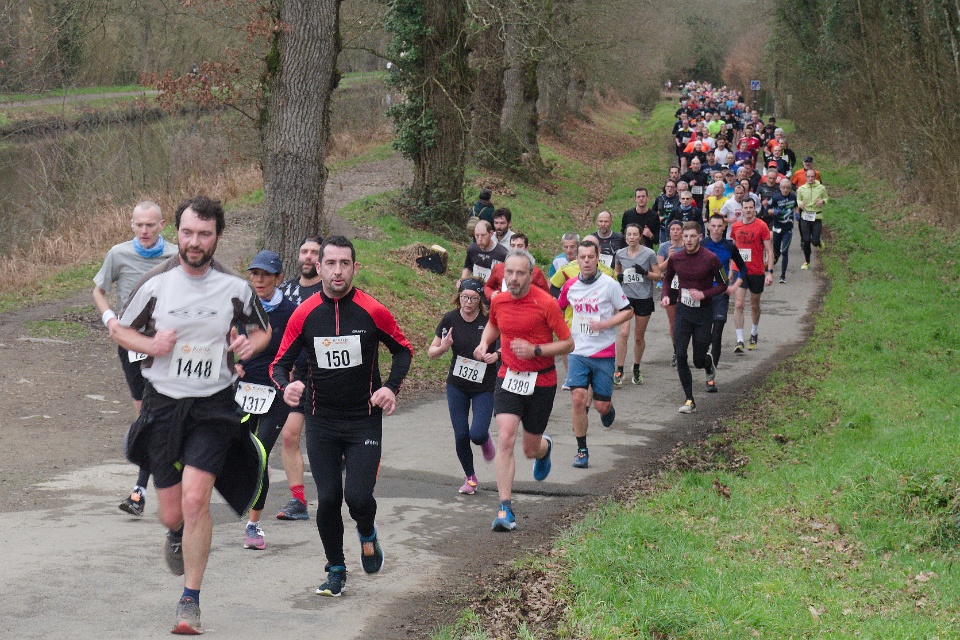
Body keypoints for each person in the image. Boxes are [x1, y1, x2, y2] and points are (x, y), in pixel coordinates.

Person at [111, 195, 272, 634]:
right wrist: (151, 345)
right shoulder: (155, 283)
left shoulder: (235, 286)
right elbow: (120, 330)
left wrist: (247, 345)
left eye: (204, 234)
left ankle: (190, 601)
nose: (194, 242)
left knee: (196, 499)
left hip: (213, 405)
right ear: (176, 233)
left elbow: (262, 331)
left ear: (217, 236)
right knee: (172, 513)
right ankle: (176, 533)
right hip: (164, 404)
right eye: (187, 233)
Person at [271, 236, 413, 597]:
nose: (338, 271)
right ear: (318, 268)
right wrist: (286, 386)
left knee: (359, 498)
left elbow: (403, 350)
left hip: (363, 418)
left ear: (355, 268)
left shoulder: (372, 310)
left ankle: (367, 533)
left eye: (344, 264)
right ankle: (335, 569)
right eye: (330, 263)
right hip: (321, 420)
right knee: (330, 497)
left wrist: (391, 388)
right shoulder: (304, 314)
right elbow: (278, 364)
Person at [474, 249, 574, 531]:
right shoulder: (499, 300)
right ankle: (504, 508)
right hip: (508, 376)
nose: (514, 278)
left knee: (530, 449)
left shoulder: (546, 303)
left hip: (541, 380)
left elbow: (568, 344)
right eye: (509, 272)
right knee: (505, 438)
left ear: (531, 275)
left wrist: (535, 350)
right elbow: (493, 325)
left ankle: (544, 448)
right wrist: (484, 343)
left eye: (520, 273)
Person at [93, 200, 178, 517]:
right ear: (131, 225)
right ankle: (153, 483)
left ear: (161, 225)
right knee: (146, 414)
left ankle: (140, 490)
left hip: (166, 344)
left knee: (158, 412)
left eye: (150, 225)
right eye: (139, 225)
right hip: (131, 342)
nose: (144, 230)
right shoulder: (118, 254)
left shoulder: (175, 256)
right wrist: (110, 320)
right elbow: (98, 290)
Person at [235, 250, 298, 550]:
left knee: (260, 456)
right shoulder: (242, 309)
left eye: (265, 275)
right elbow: (227, 340)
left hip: (275, 393)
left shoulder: (291, 312)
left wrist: (292, 378)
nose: (259, 280)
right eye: (254, 274)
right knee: (239, 453)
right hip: (243, 391)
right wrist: (232, 364)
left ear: (278, 278)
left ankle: (253, 526)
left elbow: (301, 350)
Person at [557, 240, 632, 469]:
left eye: (591, 257)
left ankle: (607, 408)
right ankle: (582, 450)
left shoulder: (609, 284)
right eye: (582, 257)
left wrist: (605, 324)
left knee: (601, 406)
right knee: (578, 398)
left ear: (598, 258)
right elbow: (557, 308)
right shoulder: (570, 285)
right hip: (578, 351)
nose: (587, 261)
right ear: (577, 259)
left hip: (603, 352)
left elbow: (628, 311)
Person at [427, 279, 499, 494]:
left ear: (480, 300)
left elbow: (504, 346)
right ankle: (470, 478)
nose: (468, 302)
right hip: (457, 385)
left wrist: (495, 355)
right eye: (464, 297)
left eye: (473, 298)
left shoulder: (488, 321)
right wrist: (443, 347)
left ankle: (485, 439)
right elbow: (431, 352)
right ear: (458, 297)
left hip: (484, 386)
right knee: (460, 435)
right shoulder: (450, 319)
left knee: (477, 434)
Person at [276, 235, 325, 521]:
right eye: (304, 251)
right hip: (297, 376)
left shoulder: (328, 291)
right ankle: (298, 501)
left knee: (326, 439)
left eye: (314, 252)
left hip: (326, 375)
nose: (308, 256)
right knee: (290, 434)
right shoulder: (286, 290)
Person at [660, 222, 728, 413]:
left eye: (692, 236)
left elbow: (723, 284)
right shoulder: (676, 258)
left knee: (698, 360)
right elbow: (667, 279)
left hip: (703, 313)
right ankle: (689, 399)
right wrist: (666, 295)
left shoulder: (711, 258)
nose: (688, 240)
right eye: (685, 236)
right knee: (681, 354)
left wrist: (704, 294)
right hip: (683, 311)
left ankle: (707, 363)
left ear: (700, 237)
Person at [613, 224, 661, 386]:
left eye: (635, 234)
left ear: (640, 236)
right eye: (629, 234)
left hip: (643, 298)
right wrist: (619, 276)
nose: (631, 237)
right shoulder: (620, 253)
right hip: (626, 298)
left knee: (638, 337)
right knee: (623, 333)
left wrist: (645, 273)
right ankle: (619, 369)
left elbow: (658, 276)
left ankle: (636, 367)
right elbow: (617, 270)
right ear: (625, 236)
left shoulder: (649, 254)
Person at [702, 215, 747, 376]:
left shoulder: (729, 246)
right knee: (704, 336)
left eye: (719, 226)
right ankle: (704, 359)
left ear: (724, 228)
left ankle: (712, 373)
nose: (716, 229)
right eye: (713, 226)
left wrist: (734, 286)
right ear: (708, 227)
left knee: (717, 334)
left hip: (721, 294)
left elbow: (743, 268)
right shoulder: (702, 245)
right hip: (704, 295)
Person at [729, 199, 774, 353]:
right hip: (739, 270)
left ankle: (754, 333)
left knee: (754, 304)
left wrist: (769, 272)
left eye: (750, 208)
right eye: (745, 208)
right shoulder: (736, 226)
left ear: (755, 209)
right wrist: (731, 269)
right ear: (741, 209)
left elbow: (769, 250)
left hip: (756, 271)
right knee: (739, 304)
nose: (748, 210)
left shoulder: (761, 226)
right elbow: (733, 249)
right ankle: (739, 340)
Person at [484, 233, 549, 301]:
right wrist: (491, 294)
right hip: (502, 303)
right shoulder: (498, 268)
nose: (516, 249)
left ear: (526, 248)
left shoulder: (535, 272)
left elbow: (546, 295)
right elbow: (487, 287)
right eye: (513, 246)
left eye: (519, 246)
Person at [657, 220, 685, 366]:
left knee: (686, 321)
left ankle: (684, 349)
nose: (675, 232)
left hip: (686, 285)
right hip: (670, 286)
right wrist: (670, 258)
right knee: (673, 322)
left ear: (682, 231)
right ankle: (677, 351)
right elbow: (658, 269)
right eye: (672, 229)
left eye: (678, 229)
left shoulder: (688, 245)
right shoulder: (664, 247)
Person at [796, 168, 829, 270]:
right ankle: (807, 262)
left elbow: (826, 198)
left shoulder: (821, 188)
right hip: (805, 217)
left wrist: (822, 201)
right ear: (806, 177)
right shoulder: (801, 189)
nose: (810, 178)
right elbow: (798, 200)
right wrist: (800, 204)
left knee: (814, 241)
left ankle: (818, 242)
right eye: (808, 176)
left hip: (816, 217)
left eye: (812, 176)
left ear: (815, 177)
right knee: (806, 240)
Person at [460, 220, 508, 286]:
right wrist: (462, 282)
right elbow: (468, 267)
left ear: (491, 233)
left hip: (494, 289)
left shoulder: (502, 254)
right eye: (477, 235)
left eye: (483, 235)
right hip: (476, 287)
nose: (480, 239)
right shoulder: (472, 249)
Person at [769, 180, 798, 283]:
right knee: (776, 251)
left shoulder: (793, 197)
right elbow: (767, 209)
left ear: (790, 188)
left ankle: (782, 276)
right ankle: (774, 260)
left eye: (788, 188)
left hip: (788, 229)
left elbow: (796, 206)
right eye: (783, 188)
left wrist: (797, 213)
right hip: (777, 228)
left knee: (785, 251)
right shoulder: (775, 197)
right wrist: (774, 212)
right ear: (780, 188)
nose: (785, 190)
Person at [652, 180, 680, 244]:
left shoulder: (679, 199)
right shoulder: (659, 198)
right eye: (668, 187)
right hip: (663, 227)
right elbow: (653, 212)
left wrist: (664, 217)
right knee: (663, 245)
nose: (669, 189)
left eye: (672, 187)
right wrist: (657, 218)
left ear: (676, 188)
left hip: (676, 227)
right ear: (665, 188)